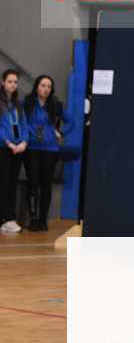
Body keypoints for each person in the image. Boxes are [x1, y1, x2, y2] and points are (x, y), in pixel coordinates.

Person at [23, 75, 70, 231]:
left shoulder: (56, 105)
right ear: (37, 86)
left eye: (49, 86)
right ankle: (33, 218)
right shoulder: (27, 103)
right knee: (32, 182)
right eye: (43, 85)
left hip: (50, 150)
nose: (46, 89)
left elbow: (71, 121)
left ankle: (43, 219)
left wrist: (60, 132)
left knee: (46, 184)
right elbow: (20, 120)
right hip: (31, 148)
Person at [0, 69, 28, 233]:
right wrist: (8, 142)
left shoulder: (18, 103)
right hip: (4, 148)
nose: (13, 85)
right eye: (10, 81)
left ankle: (8, 218)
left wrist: (24, 141)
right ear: (3, 82)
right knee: (3, 183)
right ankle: (6, 218)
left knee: (12, 183)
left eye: (15, 82)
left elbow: (24, 124)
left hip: (18, 149)